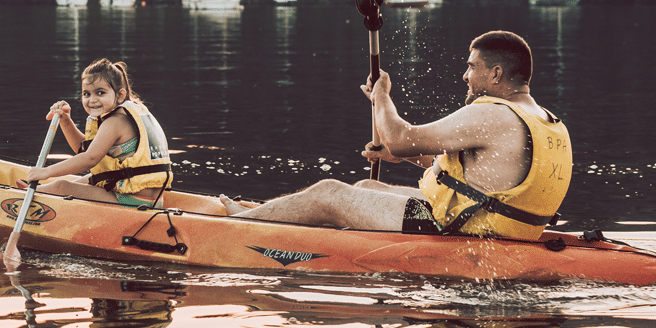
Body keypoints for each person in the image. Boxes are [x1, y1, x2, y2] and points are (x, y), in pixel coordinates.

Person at [221, 31, 572, 241]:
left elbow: (400, 137)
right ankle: (278, 220)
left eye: (471, 67)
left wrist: (382, 97)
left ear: (496, 74)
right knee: (365, 188)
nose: (465, 76)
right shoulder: (545, 119)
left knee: (329, 193)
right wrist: (402, 156)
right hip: (499, 228)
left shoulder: (492, 111)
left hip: (465, 235)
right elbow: (481, 175)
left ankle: (235, 227)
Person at [22, 59, 172, 207]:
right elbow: (84, 149)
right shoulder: (126, 113)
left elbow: (90, 158)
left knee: (62, 187)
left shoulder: (115, 122)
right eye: (86, 94)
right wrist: (66, 121)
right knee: (91, 178)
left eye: (100, 93)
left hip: (134, 200)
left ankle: (23, 195)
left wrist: (46, 172)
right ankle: (40, 191)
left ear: (120, 95)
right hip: (150, 198)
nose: (92, 100)